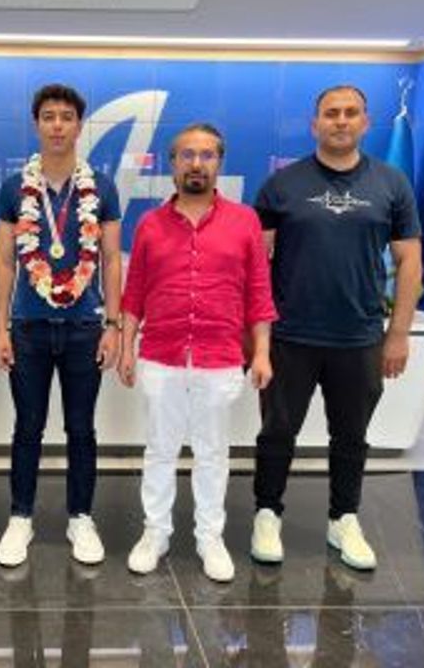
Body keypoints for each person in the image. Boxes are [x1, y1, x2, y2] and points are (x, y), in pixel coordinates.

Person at [250, 85, 423, 571]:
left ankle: (343, 519)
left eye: (350, 113)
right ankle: (267, 513)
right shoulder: (282, 185)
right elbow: (256, 265)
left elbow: (410, 262)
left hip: (360, 338)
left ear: (366, 122)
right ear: (315, 124)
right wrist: (257, 337)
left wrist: (398, 334)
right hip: (291, 336)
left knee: (351, 436)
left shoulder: (392, 183)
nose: (341, 121)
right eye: (331, 113)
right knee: (277, 432)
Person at [118, 123, 275, 582]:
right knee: (159, 451)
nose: (196, 163)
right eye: (187, 154)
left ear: (219, 163)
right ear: (172, 164)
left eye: (206, 155)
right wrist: (126, 348)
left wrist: (262, 353)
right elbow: (134, 293)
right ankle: (156, 533)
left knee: (212, 454)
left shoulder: (244, 221)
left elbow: (258, 293)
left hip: (219, 357)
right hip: (160, 355)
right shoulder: (149, 225)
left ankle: (210, 537)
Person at [0, 84, 123, 567]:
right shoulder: (14, 188)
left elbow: (111, 258)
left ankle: (80, 517)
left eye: (66, 116)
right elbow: (4, 260)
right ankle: (20, 516)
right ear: (36, 124)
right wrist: (1, 327)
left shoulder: (101, 187)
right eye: (48, 116)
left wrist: (113, 323)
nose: (57, 125)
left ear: (79, 125)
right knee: (27, 426)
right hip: (27, 326)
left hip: (84, 327)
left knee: (81, 428)